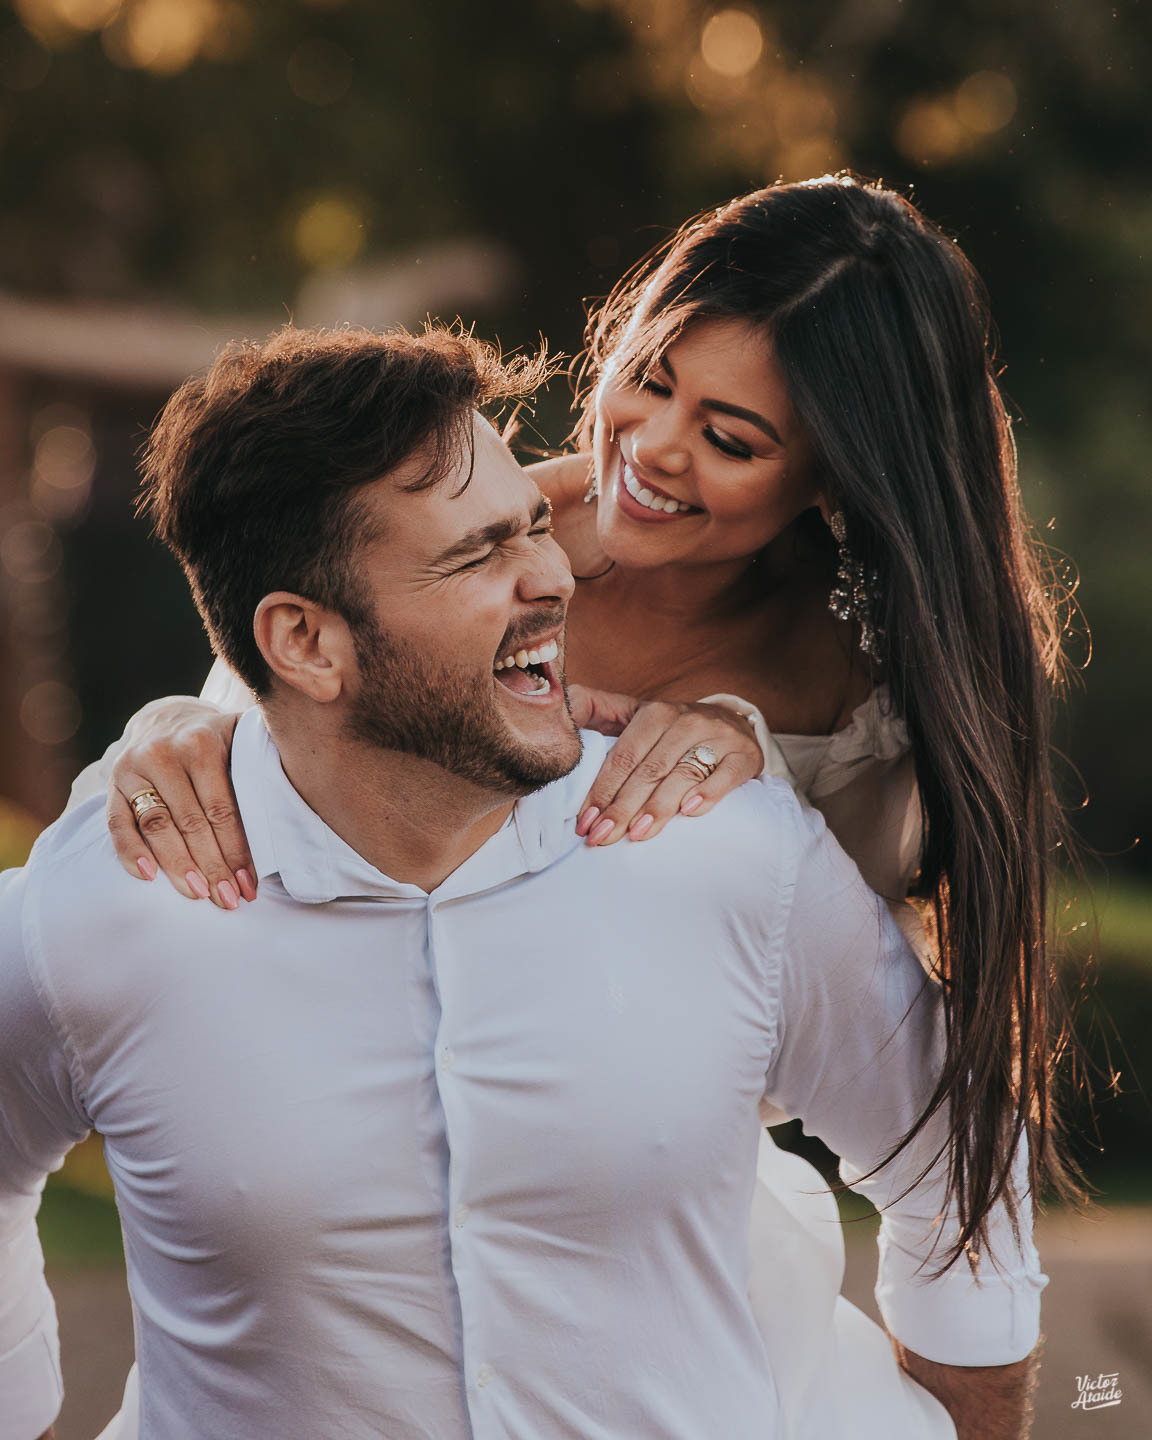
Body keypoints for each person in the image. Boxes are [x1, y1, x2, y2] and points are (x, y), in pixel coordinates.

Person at [83, 176, 1071, 1428]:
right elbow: (280, 708)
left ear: (834, 483)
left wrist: (752, 778)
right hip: (344, 1221)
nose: (653, 449)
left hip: (635, 1223)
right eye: (651, 376)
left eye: (732, 439)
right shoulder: (443, 538)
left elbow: (858, 1041)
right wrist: (173, 733)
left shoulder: (867, 700)